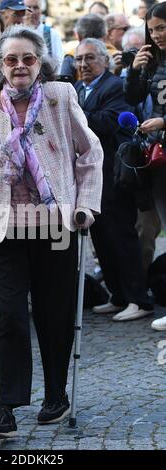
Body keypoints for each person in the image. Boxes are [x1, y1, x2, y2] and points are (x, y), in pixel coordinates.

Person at [0, 25, 103, 439]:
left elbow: (90, 152)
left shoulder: (61, 97)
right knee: (9, 317)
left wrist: (86, 205)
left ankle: (56, 395)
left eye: (28, 59)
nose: (20, 66)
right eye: (11, 59)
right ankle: (7, 407)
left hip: (56, 226)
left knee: (54, 315)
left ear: (41, 63)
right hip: (0, 231)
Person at [74, 38, 153, 322]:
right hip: (89, 178)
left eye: (90, 58)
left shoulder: (114, 86)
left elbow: (108, 121)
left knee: (121, 237)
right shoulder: (78, 89)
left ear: (105, 61)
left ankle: (138, 299)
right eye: (79, 59)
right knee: (101, 238)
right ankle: (118, 295)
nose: (83, 64)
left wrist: (73, 115)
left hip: (114, 173)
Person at [124, 1, 166, 331]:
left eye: (162, 28)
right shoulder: (153, 60)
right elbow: (133, 96)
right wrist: (134, 69)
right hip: (160, 158)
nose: (157, 35)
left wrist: (163, 121)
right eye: (152, 30)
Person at [24, 0, 64, 68]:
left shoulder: (52, 34)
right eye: (28, 7)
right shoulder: (16, 33)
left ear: (41, 10)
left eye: (36, 7)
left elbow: (59, 63)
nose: (32, 11)